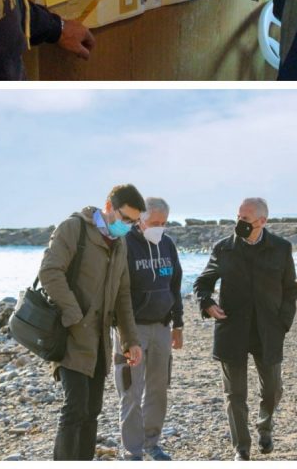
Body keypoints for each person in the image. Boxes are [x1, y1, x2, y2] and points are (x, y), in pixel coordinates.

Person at [38, 184, 144, 460]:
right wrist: (73, 315)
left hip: (99, 342)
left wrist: (131, 340)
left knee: (92, 411)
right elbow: (50, 271)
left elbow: (123, 296)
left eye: (134, 222)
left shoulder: (119, 244)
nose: (129, 226)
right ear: (109, 207)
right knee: (74, 408)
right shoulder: (74, 229)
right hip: (70, 335)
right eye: (125, 218)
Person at [192, 198, 297, 461]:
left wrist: (283, 322)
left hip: (268, 330)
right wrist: (206, 303)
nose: (239, 223)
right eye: (237, 217)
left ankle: (265, 426)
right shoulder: (224, 248)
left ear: (262, 221)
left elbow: (290, 289)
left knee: (273, 389)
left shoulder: (281, 248)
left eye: (246, 220)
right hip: (232, 330)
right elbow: (203, 282)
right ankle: (241, 448)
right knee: (235, 394)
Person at [114, 197, 183, 460]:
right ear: (140, 219)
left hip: (161, 327)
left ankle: (151, 442)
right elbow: (116, 291)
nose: (160, 227)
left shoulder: (167, 244)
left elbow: (175, 286)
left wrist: (179, 324)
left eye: (164, 223)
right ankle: (132, 451)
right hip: (132, 329)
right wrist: (123, 333)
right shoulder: (124, 244)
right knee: (131, 390)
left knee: (158, 387)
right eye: (155, 222)